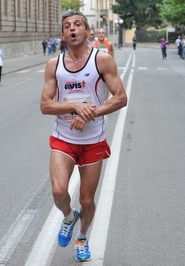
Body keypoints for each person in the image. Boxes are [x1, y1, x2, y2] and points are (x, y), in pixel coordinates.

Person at [40, 9, 127, 262]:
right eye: (67, 25)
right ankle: (69, 216)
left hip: (92, 141)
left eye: (78, 24)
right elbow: (45, 105)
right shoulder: (54, 65)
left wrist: (91, 112)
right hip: (63, 138)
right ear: (63, 34)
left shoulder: (102, 60)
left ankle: (82, 237)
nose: (72, 28)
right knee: (58, 192)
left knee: (86, 198)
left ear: (87, 31)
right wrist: (74, 106)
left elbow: (121, 98)